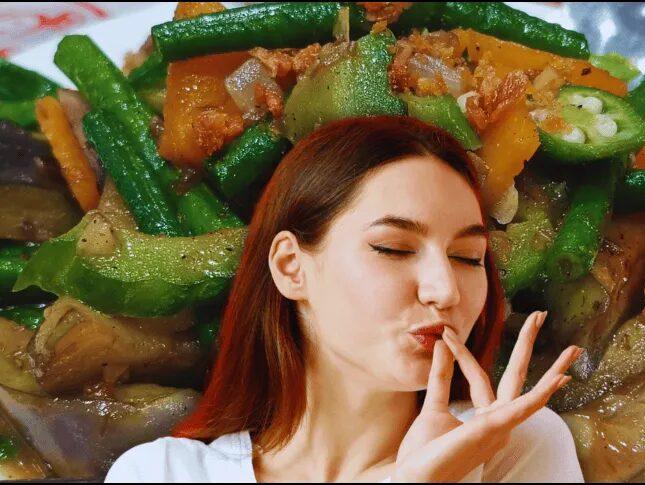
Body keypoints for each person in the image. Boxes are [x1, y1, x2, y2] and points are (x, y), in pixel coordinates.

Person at [105, 116, 584, 483]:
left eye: (468, 257)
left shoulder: (513, 447)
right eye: (392, 248)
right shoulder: (163, 474)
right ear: (291, 267)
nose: (444, 290)